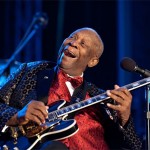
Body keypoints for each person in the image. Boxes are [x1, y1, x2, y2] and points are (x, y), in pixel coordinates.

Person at [0, 27, 142, 150]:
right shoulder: (30, 71)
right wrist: (16, 116)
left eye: (82, 44)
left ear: (92, 61)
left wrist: (125, 118)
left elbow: (134, 147)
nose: (73, 43)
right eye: (71, 37)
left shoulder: (102, 100)